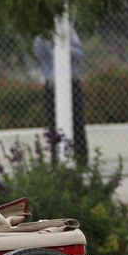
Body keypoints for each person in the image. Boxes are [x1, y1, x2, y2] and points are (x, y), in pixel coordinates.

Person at [34, 32, 88, 164]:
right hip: (52, 84)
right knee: (52, 123)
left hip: (71, 82)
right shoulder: (42, 36)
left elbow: (79, 53)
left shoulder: (70, 33)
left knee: (77, 121)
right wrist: (49, 42)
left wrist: (62, 48)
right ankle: (56, 160)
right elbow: (38, 52)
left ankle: (81, 160)